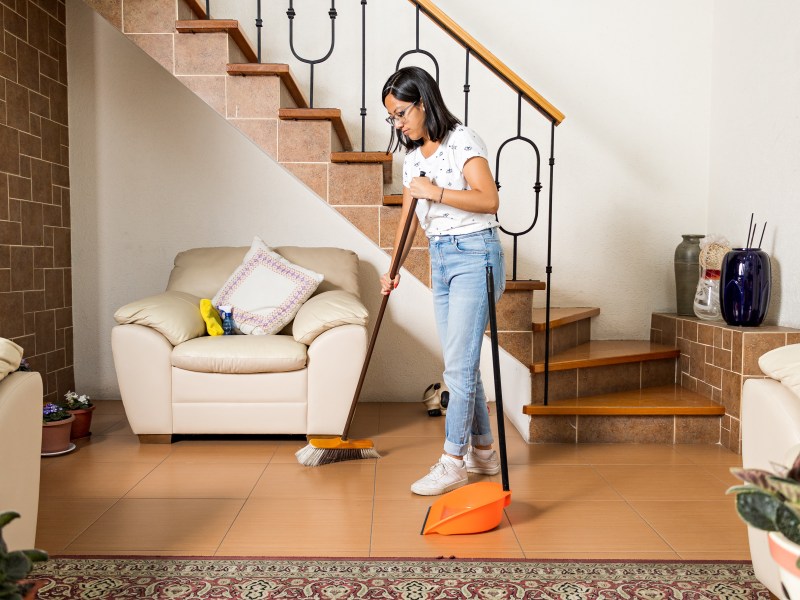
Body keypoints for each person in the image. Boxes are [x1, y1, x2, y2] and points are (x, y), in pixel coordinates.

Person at [380, 66, 506, 496]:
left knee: (457, 366)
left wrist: (434, 191)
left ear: (423, 102)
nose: (398, 123)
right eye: (392, 118)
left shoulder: (463, 141)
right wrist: (393, 267)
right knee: (462, 360)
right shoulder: (413, 159)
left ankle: (453, 460)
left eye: (401, 113)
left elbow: (489, 200)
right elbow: (409, 218)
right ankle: (485, 452)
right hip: (442, 259)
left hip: (476, 255)